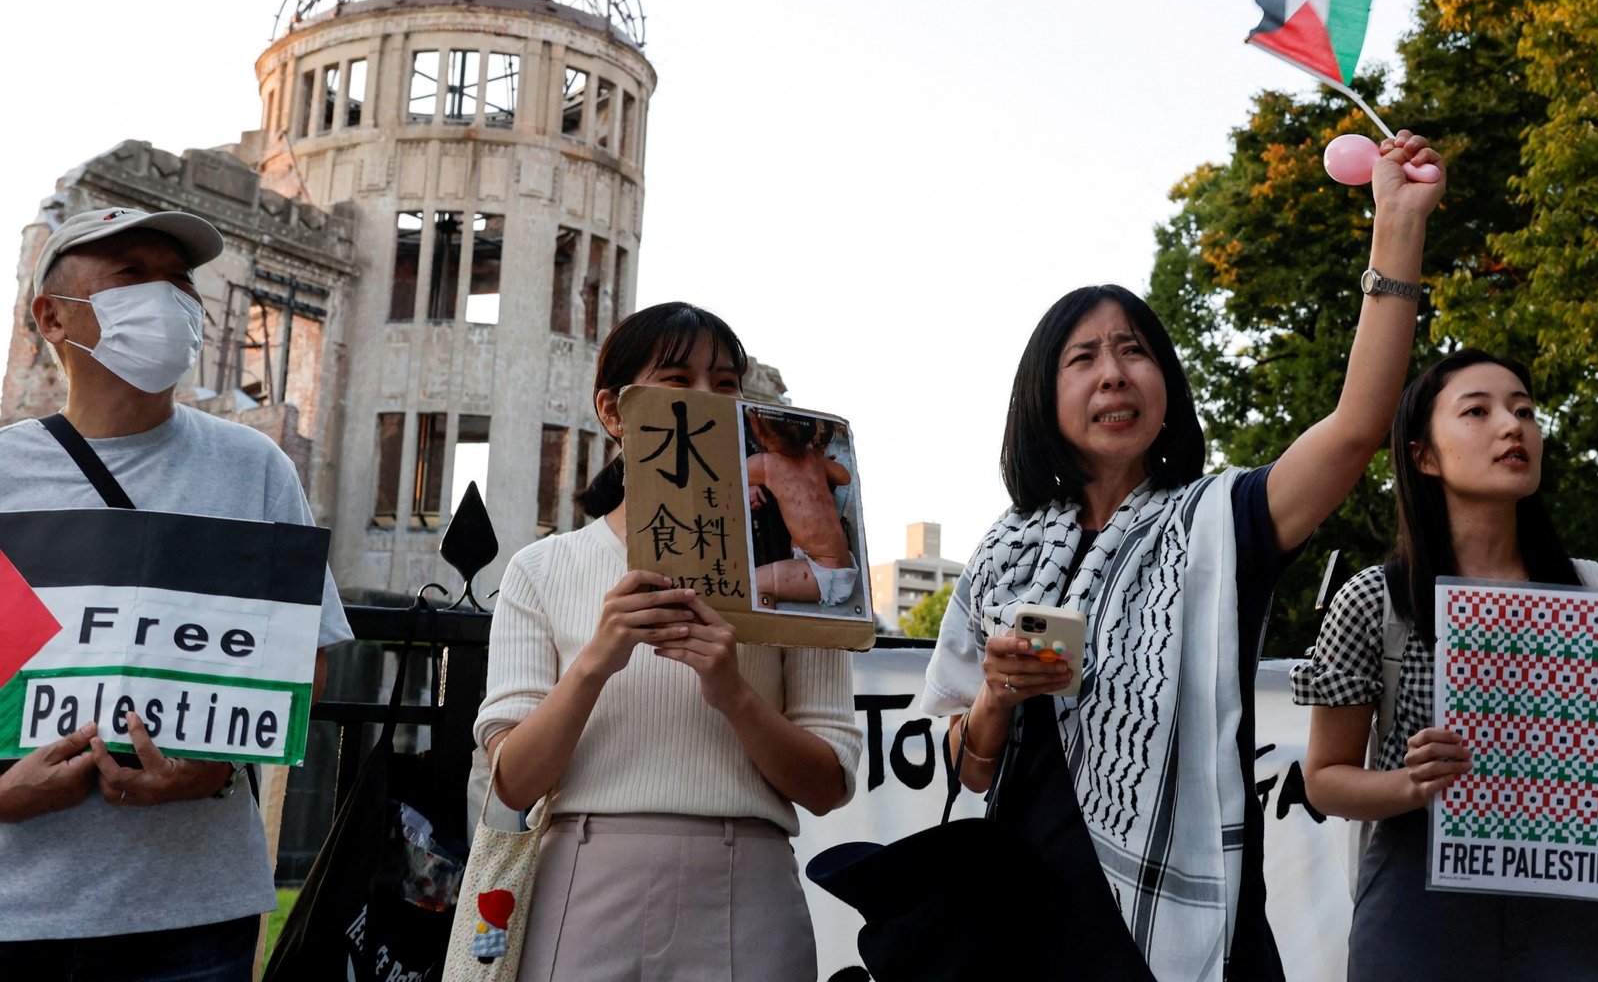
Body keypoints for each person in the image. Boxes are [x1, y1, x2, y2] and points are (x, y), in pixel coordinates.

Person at [921, 133, 1445, 982]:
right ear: (1042, 398)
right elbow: (969, 761)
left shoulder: (1222, 519)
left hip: (1190, 934)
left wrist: (1397, 230)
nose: (1114, 376)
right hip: (1023, 929)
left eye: (1134, 352)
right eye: (1083, 359)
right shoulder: (1003, 548)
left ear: (1166, 384)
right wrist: (997, 693)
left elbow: (1353, 430)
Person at [0, 205, 352, 982]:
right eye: (132, 274)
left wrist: (217, 767)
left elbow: (303, 665)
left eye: (181, 280)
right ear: (52, 317)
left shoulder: (254, 468)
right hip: (15, 907)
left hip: (194, 913)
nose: (168, 297)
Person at [474, 301, 861, 982]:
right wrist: (597, 660)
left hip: (748, 879)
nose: (706, 402)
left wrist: (732, 691)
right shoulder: (543, 568)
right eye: (678, 382)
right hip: (584, 877)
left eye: (726, 385)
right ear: (615, 412)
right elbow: (512, 782)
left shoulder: (790, 571)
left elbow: (828, 785)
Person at [1294, 348, 1598, 980]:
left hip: (1571, 898)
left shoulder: (1592, 595)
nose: (1513, 426)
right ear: (1423, 455)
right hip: (1416, 904)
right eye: (1477, 411)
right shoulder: (1376, 599)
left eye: (1524, 411)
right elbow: (1325, 778)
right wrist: (1413, 782)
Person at [746, 411, 859, 608]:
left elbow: (725, 475)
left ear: (757, 427)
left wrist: (750, 486)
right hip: (839, 565)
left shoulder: (766, 464)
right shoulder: (814, 458)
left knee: (750, 585)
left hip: (825, 575)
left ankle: (773, 635)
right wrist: (823, 467)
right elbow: (845, 477)